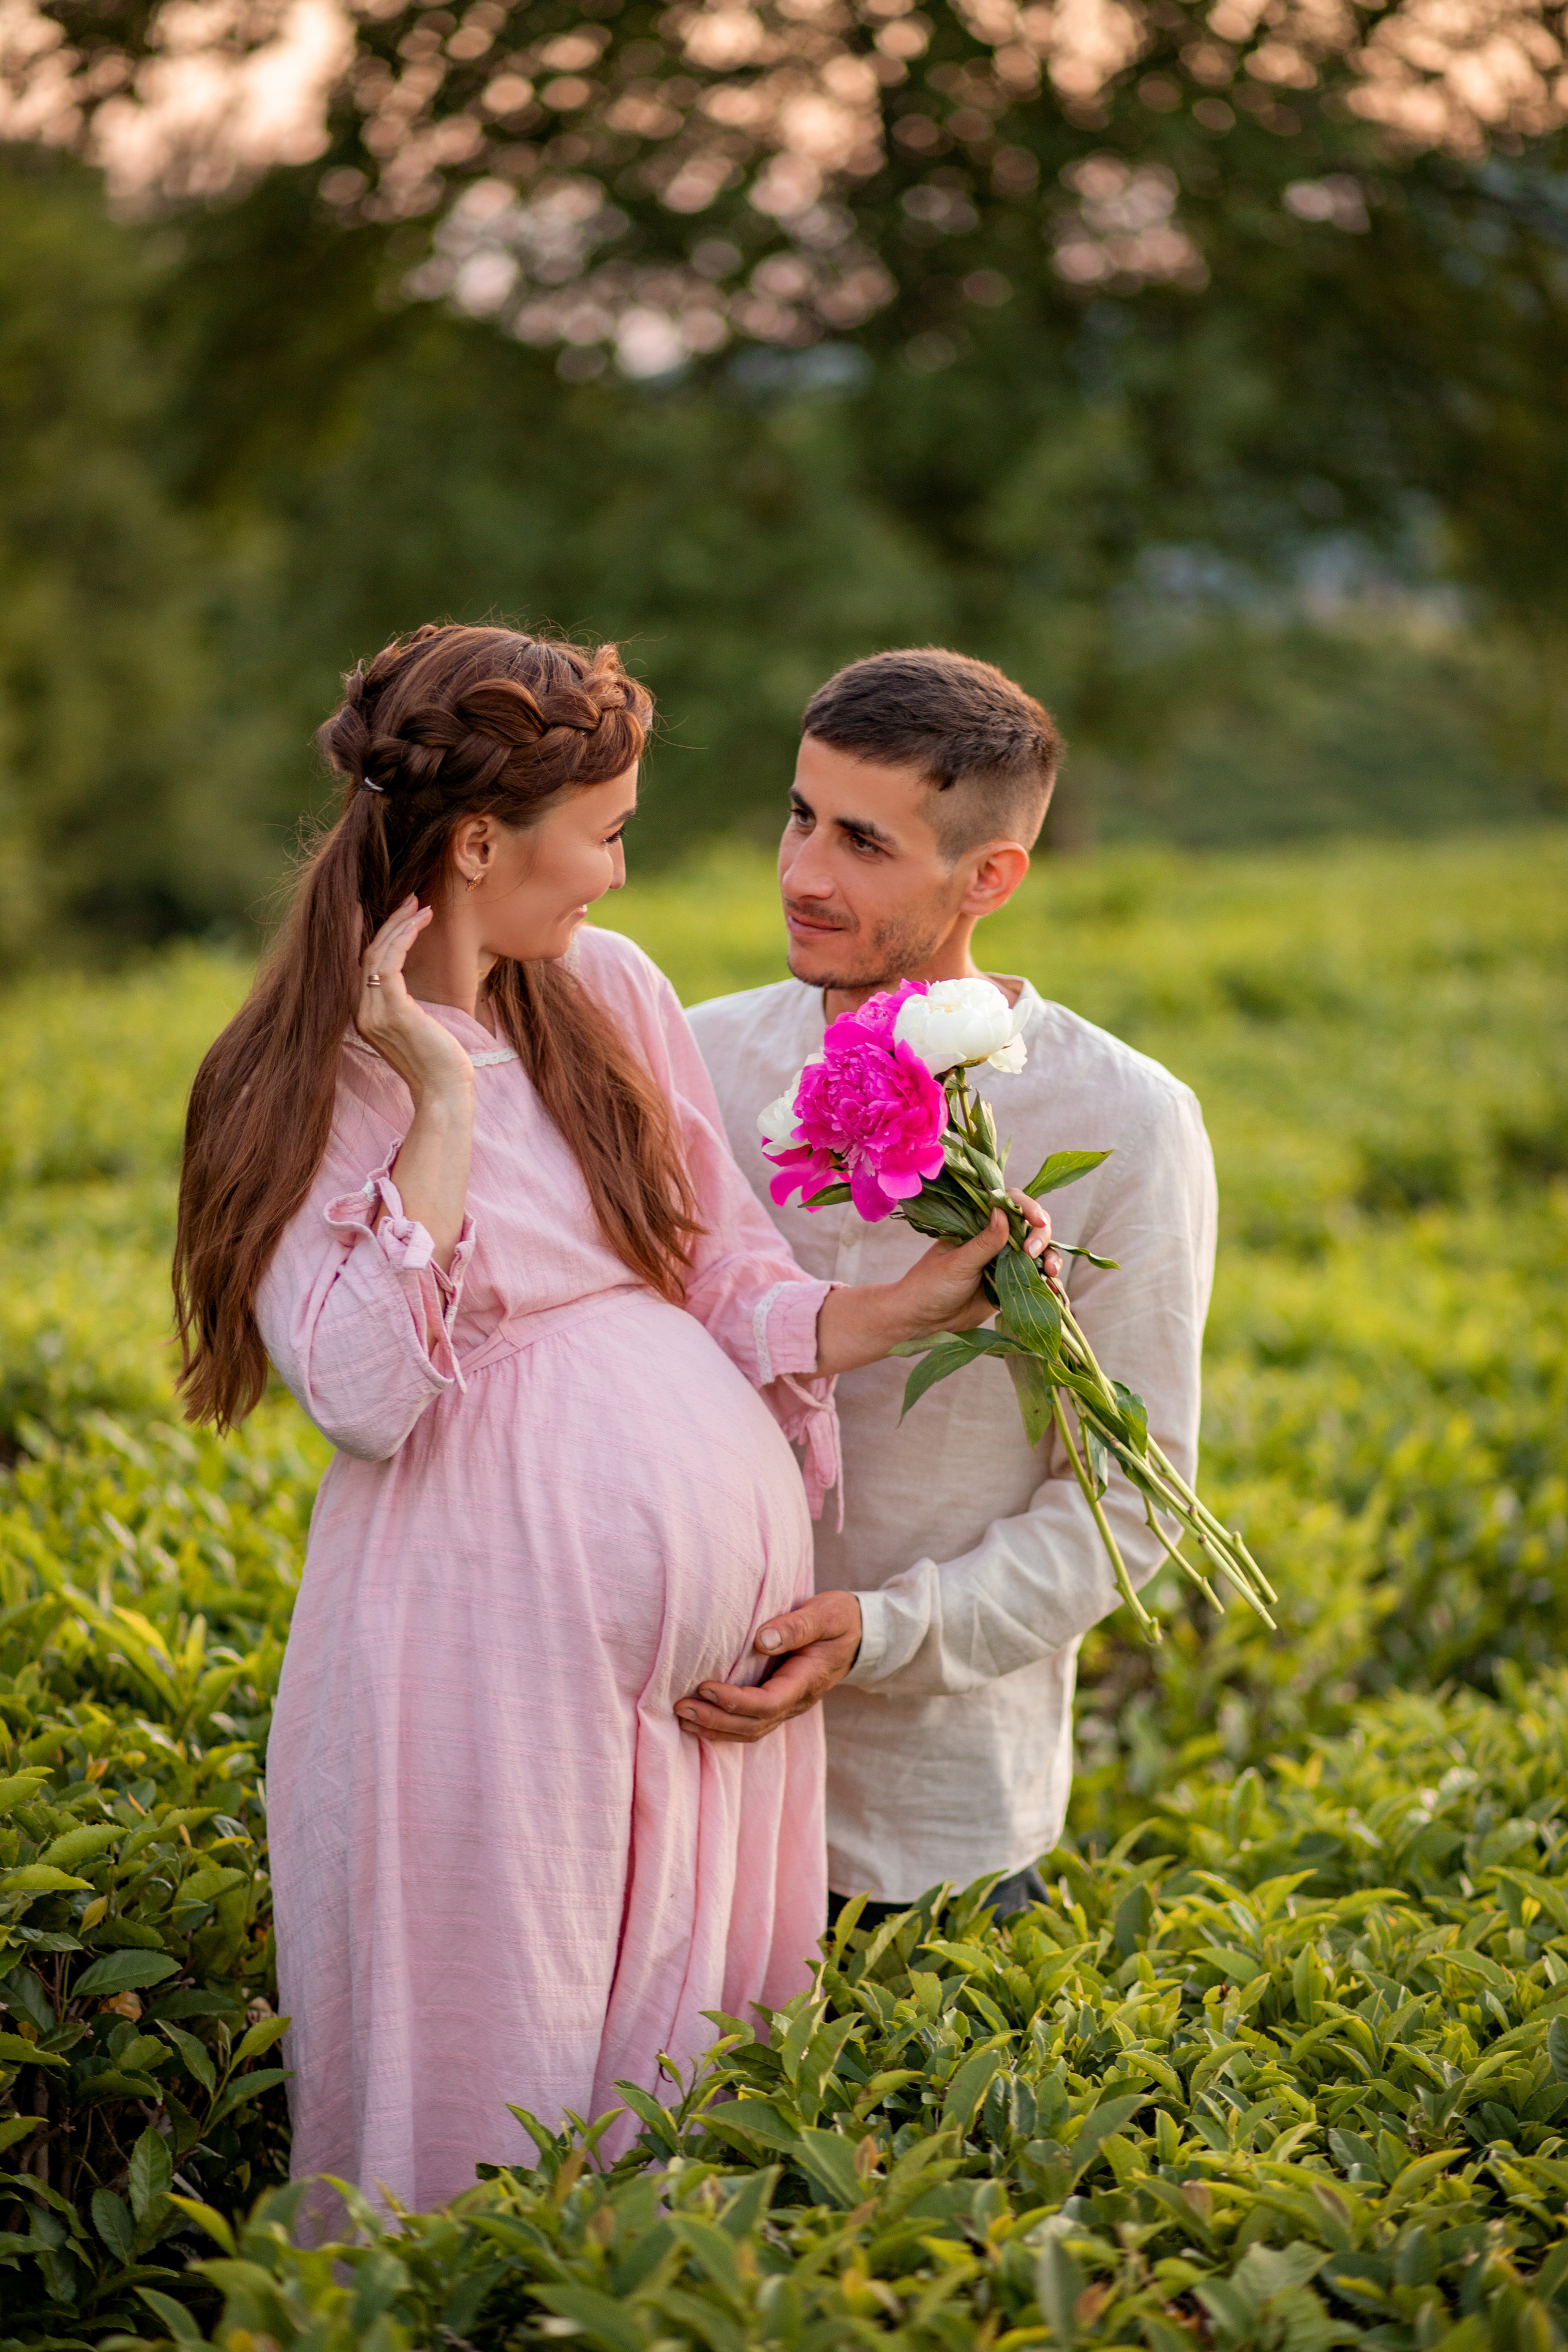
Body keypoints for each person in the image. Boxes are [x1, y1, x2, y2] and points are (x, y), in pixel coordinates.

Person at [171, 624, 1049, 2213]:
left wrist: (927, 1303)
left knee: (674, 2126)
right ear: (486, 841)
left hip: (701, 1709)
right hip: (477, 1659)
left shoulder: (609, 994)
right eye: (609, 832)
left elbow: (721, 1272)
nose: (622, 879)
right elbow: (369, 1397)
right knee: (491, 2088)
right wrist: (436, 1099)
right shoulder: (302, 1082)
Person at [683, 647, 1218, 1928]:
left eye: (863, 841)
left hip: (928, 1836)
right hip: (677, 1786)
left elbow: (1128, 1513)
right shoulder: (690, 1060)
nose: (803, 872)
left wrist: (878, 1632)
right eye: (800, 816)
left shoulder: (1125, 1122)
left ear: (990, 877)